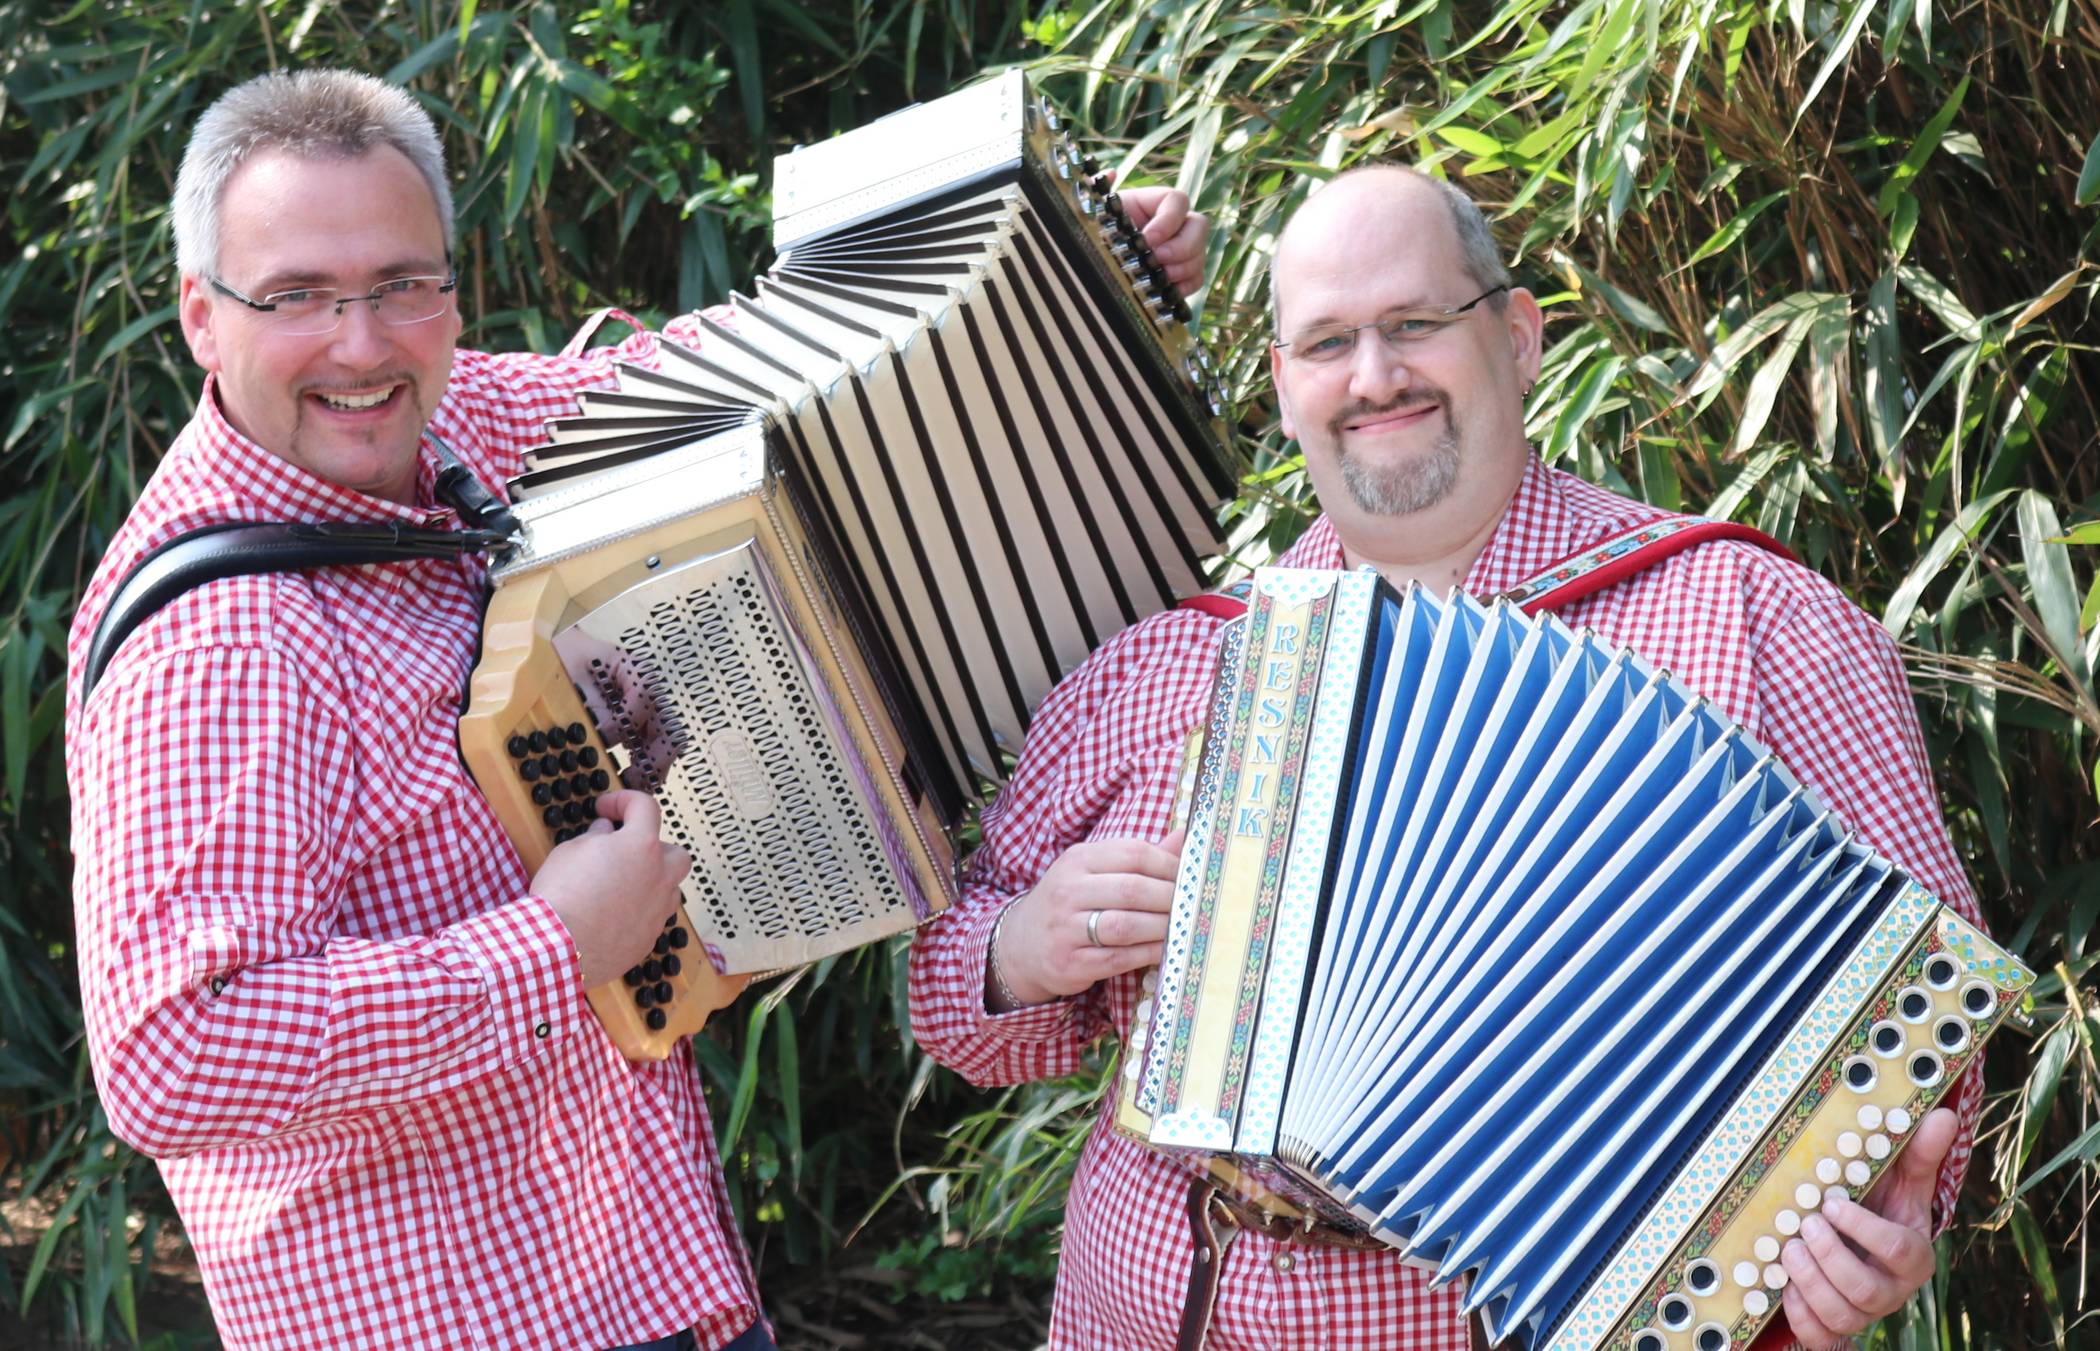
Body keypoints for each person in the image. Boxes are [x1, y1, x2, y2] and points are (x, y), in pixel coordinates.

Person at [63, 68, 1207, 1351]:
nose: (362, 342)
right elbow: (176, 1054)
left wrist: (1074, 274)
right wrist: (558, 946)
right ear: (200, 318)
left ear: (451, 287)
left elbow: (729, 374)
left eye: (403, 284)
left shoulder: (463, 432)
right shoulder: (216, 645)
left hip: (660, 1292)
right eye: (296, 298)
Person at [908, 163, 1985, 1351]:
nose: (1374, 377)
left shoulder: (1754, 618)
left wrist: (1878, 1219)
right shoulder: (1170, 663)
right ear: (1282, 387)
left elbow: (1924, 1017)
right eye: (1326, 343)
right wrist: (1022, 945)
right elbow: (957, 1008)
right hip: (1160, 1309)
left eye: (1415, 324)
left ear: (1518, 338)